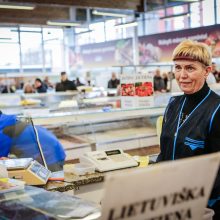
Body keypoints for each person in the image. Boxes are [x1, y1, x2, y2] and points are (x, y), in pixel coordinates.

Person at [157, 40, 220, 219]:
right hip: (169, 200)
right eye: (178, 67)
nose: (182, 75)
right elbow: (164, 153)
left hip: (204, 206)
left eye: (190, 68)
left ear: (207, 71)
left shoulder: (216, 109)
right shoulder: (173, 104)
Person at [0, 111, 66, 172]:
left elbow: (2, 160)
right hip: (55, 148)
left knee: (49, 182)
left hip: (48, 156)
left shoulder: (3, 129)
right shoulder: (7, 120)